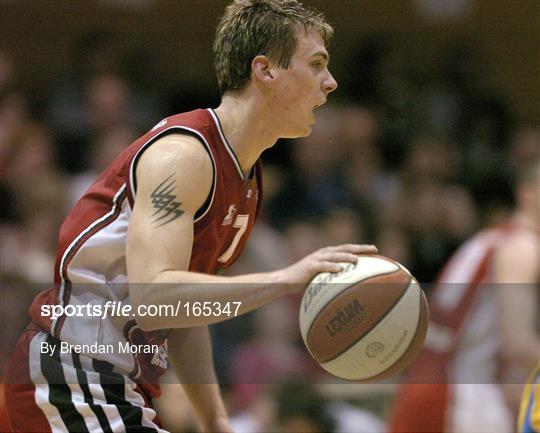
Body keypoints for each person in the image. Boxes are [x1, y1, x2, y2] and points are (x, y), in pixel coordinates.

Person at [3, 1, 379, 432]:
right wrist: (284, 279)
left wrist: (216, 420)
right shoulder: (184, 156)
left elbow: (183, 312)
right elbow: (153, 298)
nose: (330, 83)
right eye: (315, 64)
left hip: (114, 384)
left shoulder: (245, 181)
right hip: (70, 372)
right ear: (266, 70)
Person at [388, 160, 540, 433]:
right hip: (464, 398)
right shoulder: (524, 248)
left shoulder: (489, 238)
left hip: (424, 381)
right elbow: (517, 343)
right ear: (526, 193)